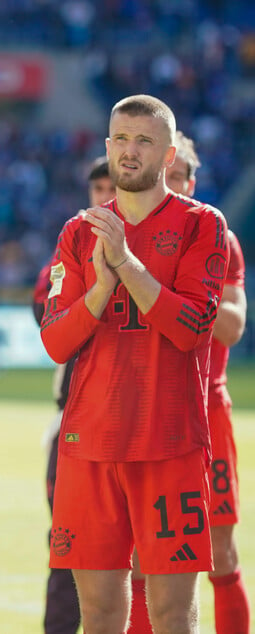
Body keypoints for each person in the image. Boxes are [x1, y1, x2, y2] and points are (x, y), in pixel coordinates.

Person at [40, 95, 228, 634]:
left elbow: (192, 328)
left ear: (169, 155)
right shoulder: (78, 232)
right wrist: (101, 287)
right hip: (90, 448)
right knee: (98, 615)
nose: (129, 151)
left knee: (170, 615)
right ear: (107, 146)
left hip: (168, 445)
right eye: (120, 139)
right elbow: (56, 343)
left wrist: (125, 261)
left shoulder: (202, 225)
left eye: (144, 140)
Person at [126, 131, 249, 634]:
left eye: (174, 180)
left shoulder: (217, 237)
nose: (166, 190)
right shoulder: (122, 235)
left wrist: (171, 285)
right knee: (136, 555)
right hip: (140, 413)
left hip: (205, 411)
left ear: (189, 181)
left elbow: (233, 326)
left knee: (218, 552)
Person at [32, 156, 115, 634]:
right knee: (65, 546)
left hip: (132, 422)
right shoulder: (68, 251)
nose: (104, 197)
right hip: (75, 423)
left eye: (112, 187)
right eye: (97, 188)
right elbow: (46, 307)